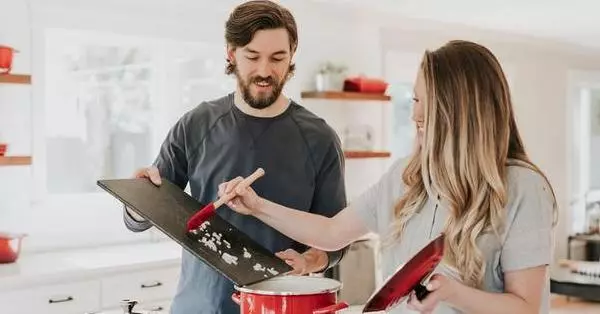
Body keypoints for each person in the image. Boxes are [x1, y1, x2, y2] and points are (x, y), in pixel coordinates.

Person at [221, 40, 558, 314]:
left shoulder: (523, 188)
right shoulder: (406, 176)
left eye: (425, 102)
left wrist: (453, 292)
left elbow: (525, 307)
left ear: (460, 108)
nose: (415, 114)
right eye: (413, 99)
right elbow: (332, 231)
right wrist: (258, 206)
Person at [122, 1, 348, 313]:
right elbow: (141, 218)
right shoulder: (196, 124)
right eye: (252, 57)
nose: (265, 71)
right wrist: (137, 199)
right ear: (231, 53)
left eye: (278, 58)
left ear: (292, 56)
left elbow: (337, 238)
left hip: (278, 306)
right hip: (198, 305)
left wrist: (309, 260)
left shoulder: (320, 139)